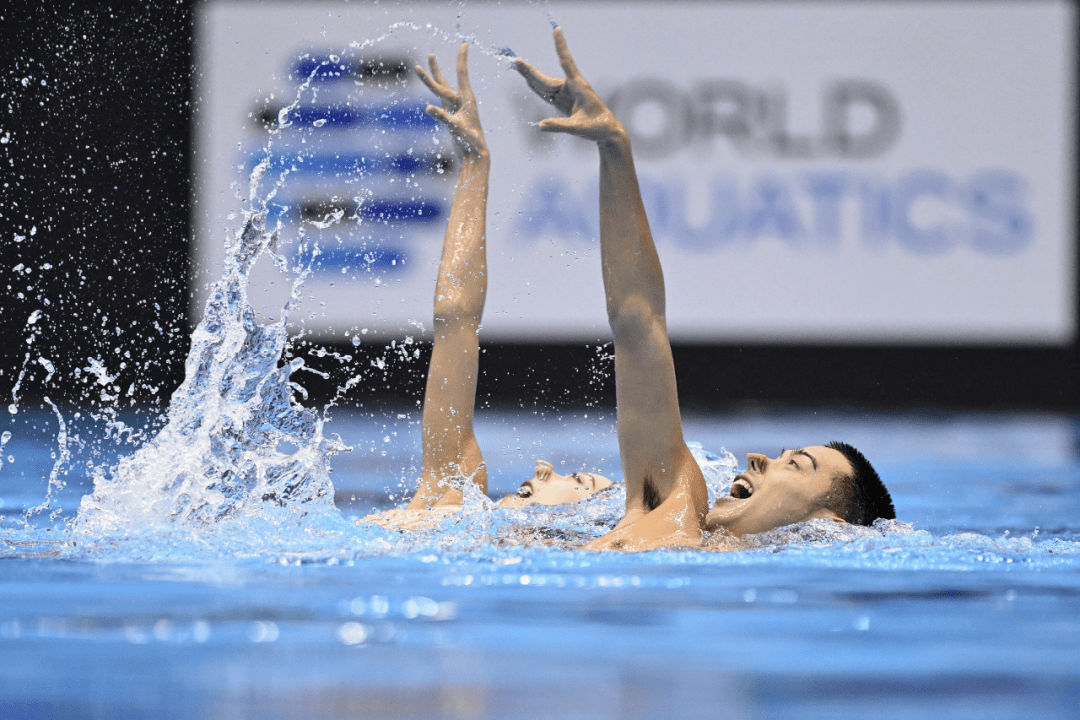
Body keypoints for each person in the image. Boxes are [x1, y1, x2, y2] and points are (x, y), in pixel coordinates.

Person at [376, 31, 895, 546]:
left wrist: (614, 150)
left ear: (826, 524)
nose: (760, 456)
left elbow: (636, 319)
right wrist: (480, 163)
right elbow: (454, 320)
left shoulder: (668, 514)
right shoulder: (653, 514)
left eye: (795, 465)